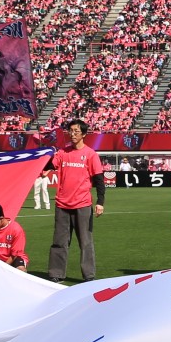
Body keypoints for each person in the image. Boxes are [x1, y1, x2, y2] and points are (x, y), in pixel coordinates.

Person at [48, 118, 106, 283]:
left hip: (83, 205)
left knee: (86, 243)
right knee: (59, 242)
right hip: (62, 204)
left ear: (84, 134)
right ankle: (56, 274)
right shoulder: (62, 153)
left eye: (76, 131)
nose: (72, 134)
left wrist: (100, 202)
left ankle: (89, 276)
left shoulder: (90, 154)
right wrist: (43, 157)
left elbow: (99, 180)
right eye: (70, 131)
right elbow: (49, 165)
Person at [0, 202, 27, 269]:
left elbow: (14, 255)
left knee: (20, 268)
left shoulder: (15, 229)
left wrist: (3, 268)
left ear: (1, 219)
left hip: (13, 259)